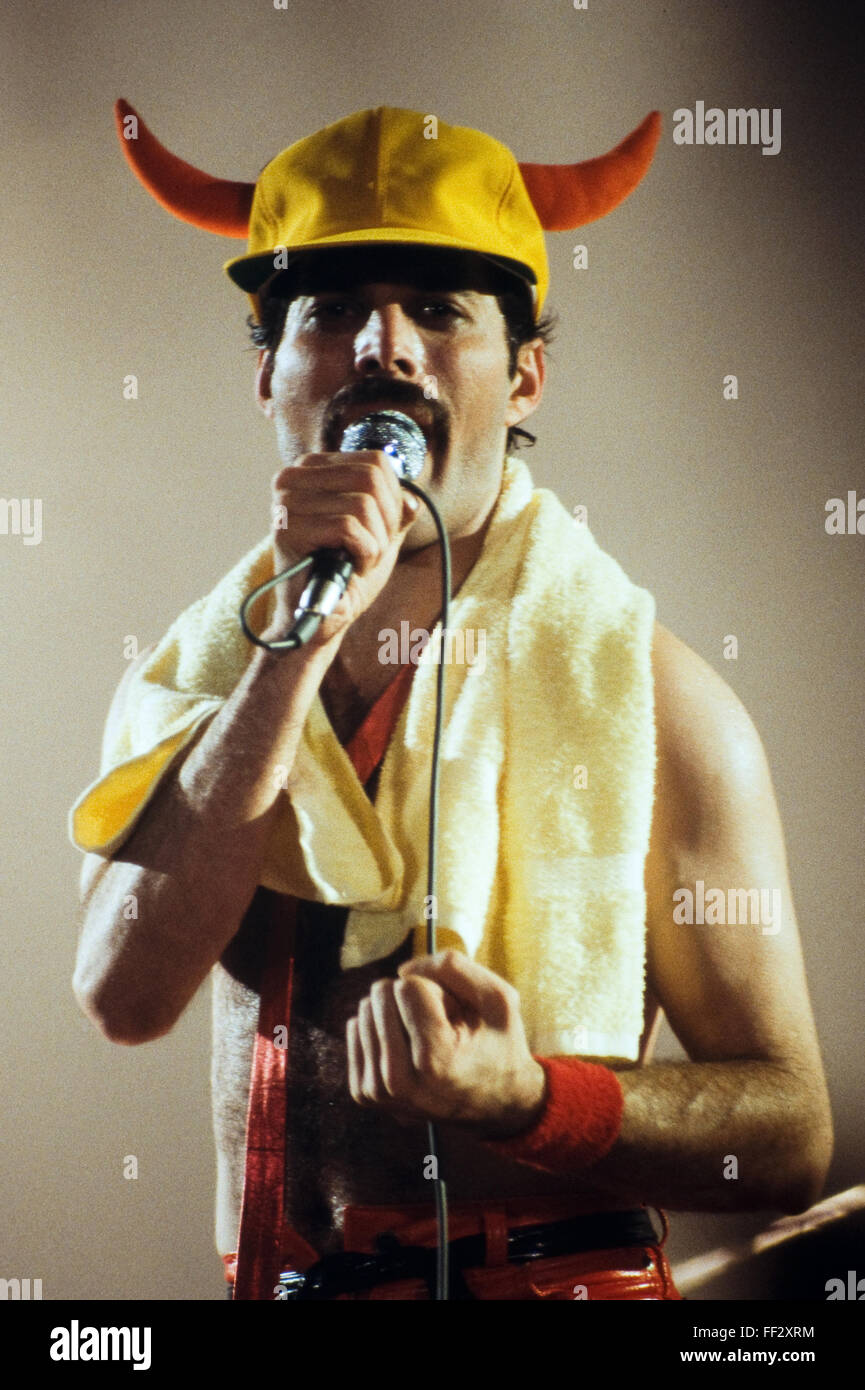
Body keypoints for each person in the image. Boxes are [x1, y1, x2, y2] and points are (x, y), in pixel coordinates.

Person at [70, 102, 833, 1301]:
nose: (383, 346)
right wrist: (292, 650)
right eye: (328, 311)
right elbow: (124, 993)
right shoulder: (205, 680)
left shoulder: (661, 708)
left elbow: (790, 1134)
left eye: (436, 308)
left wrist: (534, 1099)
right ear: (268, 368)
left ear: (526, 372)